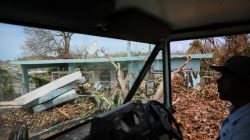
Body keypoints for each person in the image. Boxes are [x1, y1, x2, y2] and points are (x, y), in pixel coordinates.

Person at [210, 55, 250, 140]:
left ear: (247, 84)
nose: (219, 80)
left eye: (227, 77)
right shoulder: (237, 111)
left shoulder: (245, 128)